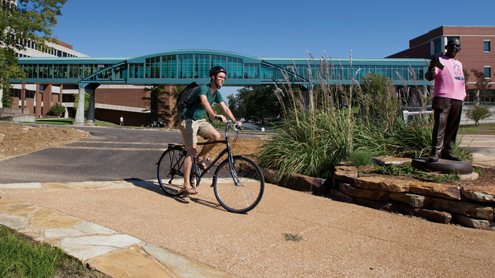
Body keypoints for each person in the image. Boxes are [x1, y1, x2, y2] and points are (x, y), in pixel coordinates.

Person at [179, 66, 242, 194]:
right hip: (188, 120)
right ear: (213, 77)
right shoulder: (203, 88)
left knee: (216, 136)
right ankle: (186, 185)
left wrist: (235, 121)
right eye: (220, 77)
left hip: (200, 121)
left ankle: (200, 159)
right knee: (191, 151)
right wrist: (214, 115)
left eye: (224, 78)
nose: (222, 80)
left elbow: (225, 108)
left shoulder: (217, 93)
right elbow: (204, 102)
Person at [425, 38, 465, 162]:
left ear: (459, 49)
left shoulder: (459, 63)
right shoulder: (440, 60)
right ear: (447, 47)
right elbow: (429, 77)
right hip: (443, 97)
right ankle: (435, 152)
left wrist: (464, 93)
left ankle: (448, 151)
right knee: (440, 126)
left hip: (458, 98)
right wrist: (432, 66)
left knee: (453, 126)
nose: (454, 48)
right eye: (452, 46)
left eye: (457, 46)